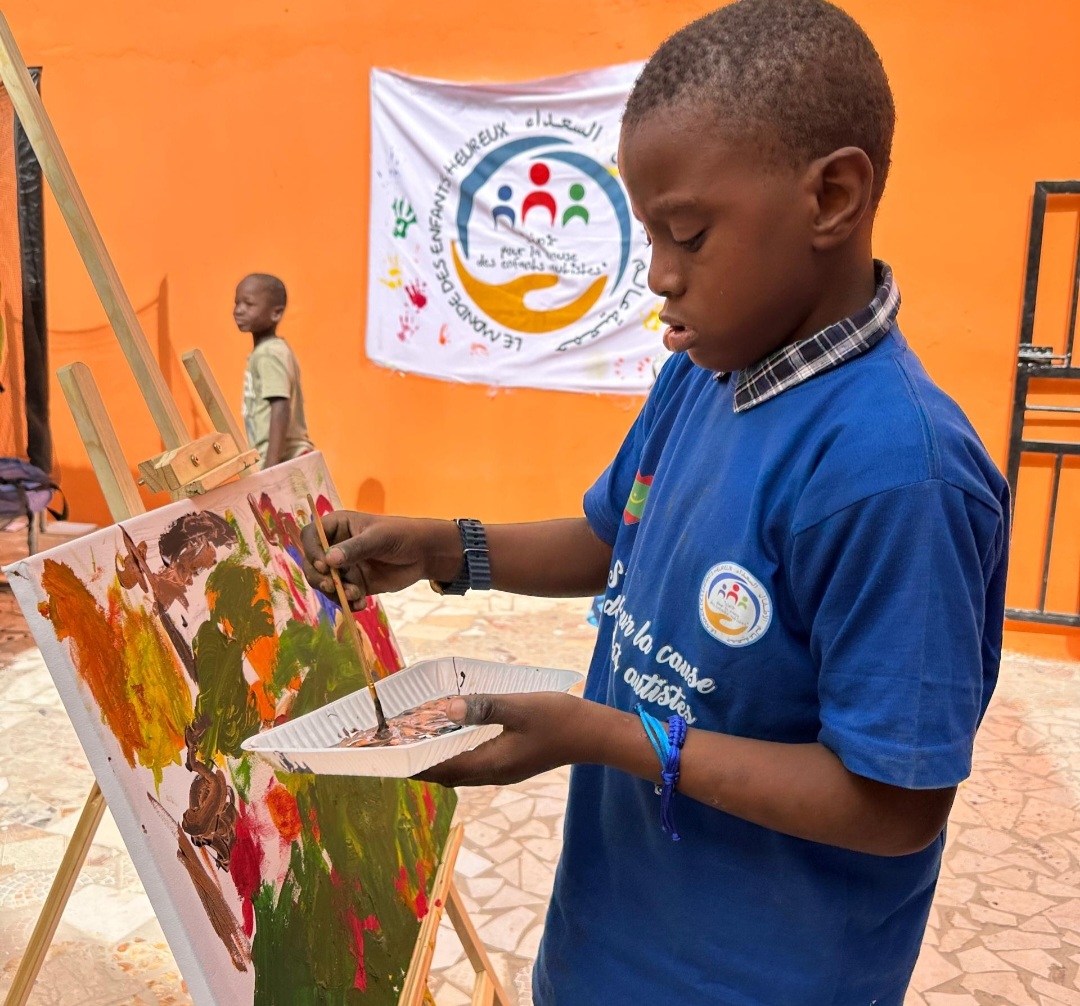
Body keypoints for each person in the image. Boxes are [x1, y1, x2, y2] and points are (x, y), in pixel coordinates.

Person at [301, 2, 1010, 1003]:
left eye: (688, 233)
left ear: (834, 196)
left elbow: (894, 805)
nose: (659, 277)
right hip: (605, 948)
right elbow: (611, 535)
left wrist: (602, 733)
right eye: (649, 235)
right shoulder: (709, 370)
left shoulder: (897, 473)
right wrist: (448, 548)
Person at [234, 273, 314, 468]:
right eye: (237, 303)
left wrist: (271, 465)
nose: (239, 310)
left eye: (249, 304)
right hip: (281, 460)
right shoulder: (269, 351)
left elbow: (280, 405)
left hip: (285, 460)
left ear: (276, 313)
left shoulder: (269, 354)